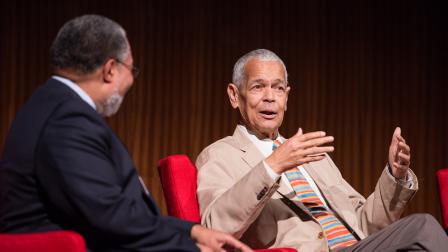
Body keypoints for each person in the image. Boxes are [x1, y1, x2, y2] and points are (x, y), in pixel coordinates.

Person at [0, 14, 252, 252]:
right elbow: (108, 216)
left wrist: (192, 231)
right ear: (110, 69)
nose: (131, 80)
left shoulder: (49, 103)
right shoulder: (68, 120)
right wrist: (189, 248)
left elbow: (110, 211)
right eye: (131, 69)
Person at [196, 49, 448, 251]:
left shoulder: (312, 155)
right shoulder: (220, 155)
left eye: (278, 88)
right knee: (423, 226)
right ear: (233, 95)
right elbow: (215, 226)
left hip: (358, 246)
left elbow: (366, 224)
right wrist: (272, 166)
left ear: (287, 96)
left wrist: (395, 176)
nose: (270, 97)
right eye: (258, 87)